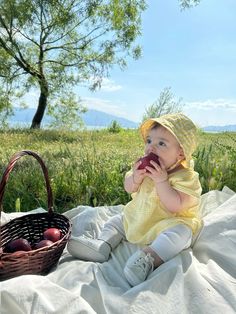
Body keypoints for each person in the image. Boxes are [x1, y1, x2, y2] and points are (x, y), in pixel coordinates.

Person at [67, 113, 202, 286]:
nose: (151, 148)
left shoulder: (186, 177)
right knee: (116, 221)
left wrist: (161, 181)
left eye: (161, 143)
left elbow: (174, 206)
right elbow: (129, 187)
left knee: (180, 235)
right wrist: (136, 178)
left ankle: (148, 259)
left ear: (181, 153)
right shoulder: (143, 168)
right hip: (139, 217)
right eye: (149, 141)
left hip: (167, 222)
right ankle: (102, 245)